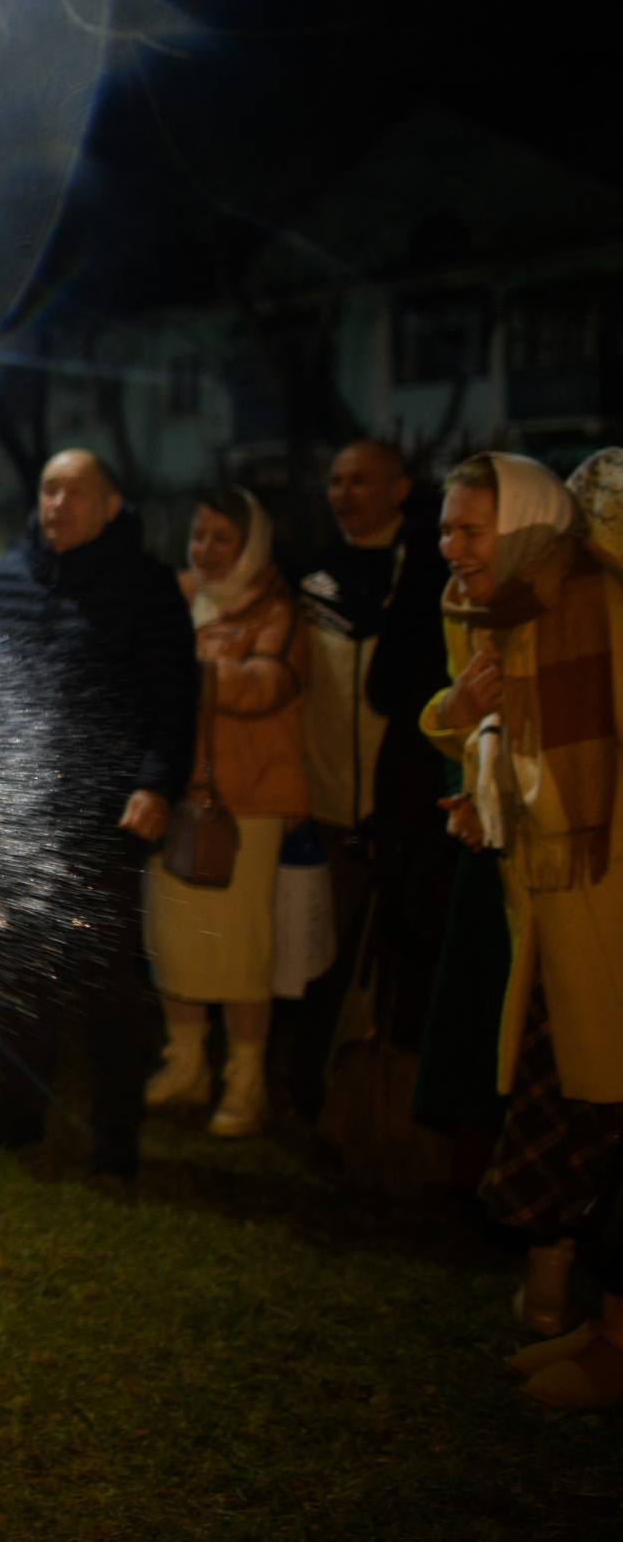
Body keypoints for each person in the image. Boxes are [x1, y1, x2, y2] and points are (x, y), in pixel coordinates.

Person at [423, 453, 623, 1404]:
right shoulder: (485, 612)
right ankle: (595, 1318)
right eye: (447, 528)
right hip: (546, 906)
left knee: (610, 1114)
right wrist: (471, 754)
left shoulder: (598, 603)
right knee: (572, 1105)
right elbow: (475, 729)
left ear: (528, 527)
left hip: (606, 895)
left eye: (470, 529)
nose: (450, 547)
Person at [0, 449, 196, 1180]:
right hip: (16, 810)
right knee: (17, 968)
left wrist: (157, 785)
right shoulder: (4, 580)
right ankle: (17, 1111)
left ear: (110, 505)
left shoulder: (146, 587)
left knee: (107, 982)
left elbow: (174, 699)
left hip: (102, 812)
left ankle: (115, 1132)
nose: (58, 503)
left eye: (75, 491)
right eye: (48, 489)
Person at [291, 439, 453, 1121]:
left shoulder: (426, 571)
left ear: (400, 489)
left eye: (361, 480)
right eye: (336, 480)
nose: (344, 493)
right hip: (328, 803)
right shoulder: (313, 579)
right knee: (318, 958)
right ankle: (307, 1090)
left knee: (397, 960)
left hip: (404, 809)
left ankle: (387, 1104)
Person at [141, 487, 308, 1137]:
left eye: (222, 538)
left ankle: (246, 1081)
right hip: (176, 794)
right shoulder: (176, 599)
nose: (205, 550)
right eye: (198, 535)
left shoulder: (275, 611)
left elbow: (266, 686)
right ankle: (186, 1064)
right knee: (174, 943)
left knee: (241, 952)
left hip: (247, 804)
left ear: (252, 546)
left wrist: (190, 669)